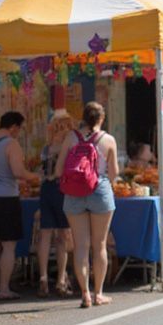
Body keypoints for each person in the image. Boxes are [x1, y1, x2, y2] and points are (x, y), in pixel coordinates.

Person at [55, 102, 118, 308]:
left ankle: (85, 294)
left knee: (80, 245)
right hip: (99, 190)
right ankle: (99, 293)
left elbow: (58, 171)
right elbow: (114, 173)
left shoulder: (71, 138)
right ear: (102, 118)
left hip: (73, 193)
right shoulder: (108, 140)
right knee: (99, 245)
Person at [0, 111, 40, 300]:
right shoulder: (11, 143)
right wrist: (34, 176)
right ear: (14, 126)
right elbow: (17, 172)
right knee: (9, 245)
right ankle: (5, 289)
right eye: (19, 128)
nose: (18, 132)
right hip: (6, 197)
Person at [37, 110, 75, 297]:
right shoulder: (68, 146)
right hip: (62, 190)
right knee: (63, 236)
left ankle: (43, 278)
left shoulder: (47, 147)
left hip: (46, 190)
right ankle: (61, 279)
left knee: (45, 236)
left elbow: (41, 173)